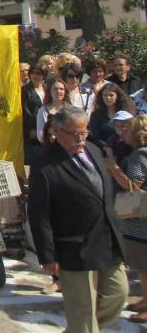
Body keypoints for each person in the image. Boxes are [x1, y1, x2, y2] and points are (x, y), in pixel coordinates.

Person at [28, 106, 127, 333]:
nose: (81, 138)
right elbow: (39, 214)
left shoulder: (92, 149)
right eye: (75, 134)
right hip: (74, 247)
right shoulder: (45, 165)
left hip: (106, 240)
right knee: (83, 311)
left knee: (118, 294)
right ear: (56, 131)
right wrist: (47, 255)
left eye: (84, 132)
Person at [103, 115, 147, 324]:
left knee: (145, 266)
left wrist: (113, 167)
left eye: (128, 130)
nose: (124, 134)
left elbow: (133, 186)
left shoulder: (139, 155)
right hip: (141, 222)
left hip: (141, 221)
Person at [89, 83, 136, 152]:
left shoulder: (127, 113)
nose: (108, 98)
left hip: (128, 150)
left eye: (111, 95)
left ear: (117, 96)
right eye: (105, 95)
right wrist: (108, 148)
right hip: (106, 152)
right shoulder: (95, 115)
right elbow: (96, 138)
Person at [22, 64, 48, 164]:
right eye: (32, 72)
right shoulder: (25, 90)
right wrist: (31, 130)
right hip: (33, 131)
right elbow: (25, 112)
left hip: (47, 128)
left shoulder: (47, 88)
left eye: (38, 73)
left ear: (44, 75)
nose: (34, 75)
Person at [37, 76, 71, 144]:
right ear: (50, 91)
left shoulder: (71, 109)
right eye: (55, 89)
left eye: (61, 89)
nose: (58, 91)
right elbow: (40, 136)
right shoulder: (42, 111)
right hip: (51, 147)